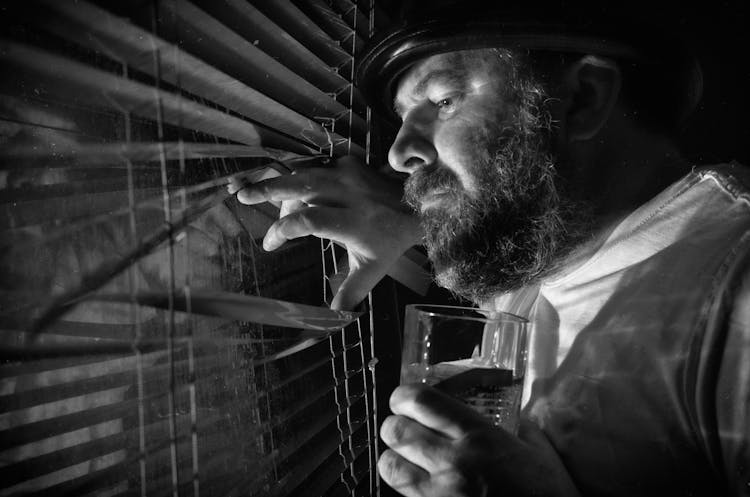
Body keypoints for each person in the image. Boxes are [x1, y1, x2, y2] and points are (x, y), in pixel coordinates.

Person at [230, 1, 750, 495]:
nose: (396, 154)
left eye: (442, 101)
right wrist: (412, 216)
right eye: (404, 119)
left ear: (583, 96)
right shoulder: (551, 253)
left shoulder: (735, 291)